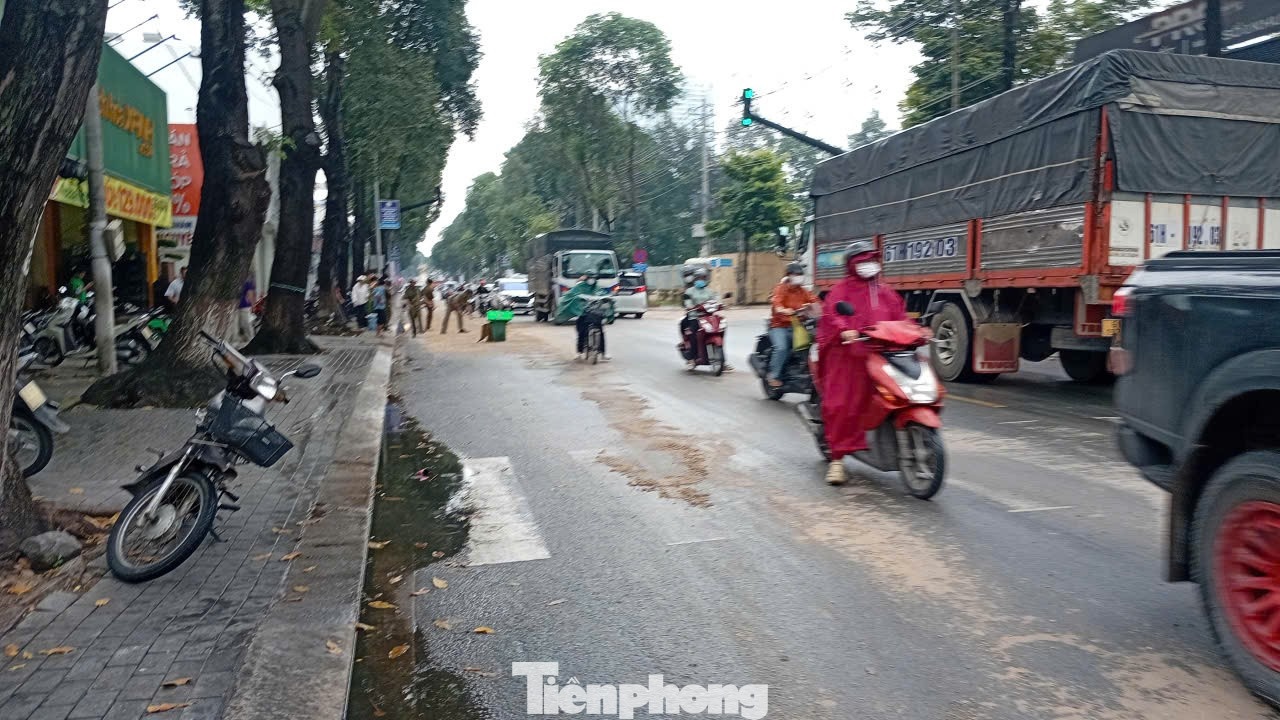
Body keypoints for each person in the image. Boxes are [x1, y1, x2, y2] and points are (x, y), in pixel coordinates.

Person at [816, 241, 908, 485]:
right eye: (862, 261)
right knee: (841, 404)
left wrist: (915, 329)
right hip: (849, 355)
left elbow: (901, 316)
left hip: (883, 354)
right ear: (851, 265)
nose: (868, 266)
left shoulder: (886, 292)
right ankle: (837, 461)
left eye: (871, 260)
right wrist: (845, 330)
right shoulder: (841, 290)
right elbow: (833, 314)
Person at [766, 263, 820, 388]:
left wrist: (818, 308)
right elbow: (776, 302)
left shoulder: (803, 291)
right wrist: (783, 310)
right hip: (779, 326)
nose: (799, 277)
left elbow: (815, 301)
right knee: (782, 348)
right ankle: (773, 375)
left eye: (800, 275)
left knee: (813, 343)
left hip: (798, 325)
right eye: (796, 275)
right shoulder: (781, 288)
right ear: (789, 275)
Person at [558, 275, 611, 361]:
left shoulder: (597, 288)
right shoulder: (579, 287)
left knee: (601, 331)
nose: (591, 281)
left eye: (592, 279)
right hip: (583, 313)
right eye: (589, 279)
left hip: (595, 313)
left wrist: (606, 299)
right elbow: (571, 296)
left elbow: (603, 295)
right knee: (581, 332)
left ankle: (603, 353)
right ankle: (579, 352)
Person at [680, 268, 717, 369]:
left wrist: (720, 304)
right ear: (695, 279)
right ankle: (692, 358)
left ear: (706, 279)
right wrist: (690, 306)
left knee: (720, 327)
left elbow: (715, 300)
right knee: (693, 333)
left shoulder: (710, 291)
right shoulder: (689, 291)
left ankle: (722, 359)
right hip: (694, 317)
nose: (701, 279)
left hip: (708, 316)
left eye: (703, 277)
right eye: (699, 278)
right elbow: (687, 302)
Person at [238, 277, 257, 345]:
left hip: (245, 307)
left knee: (247, 325)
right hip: (242, 307)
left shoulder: (248, 283)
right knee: (243, 325)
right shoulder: (246, 283)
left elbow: (250, 294)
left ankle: (251, 340)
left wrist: (252, 306)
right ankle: (247, 340)